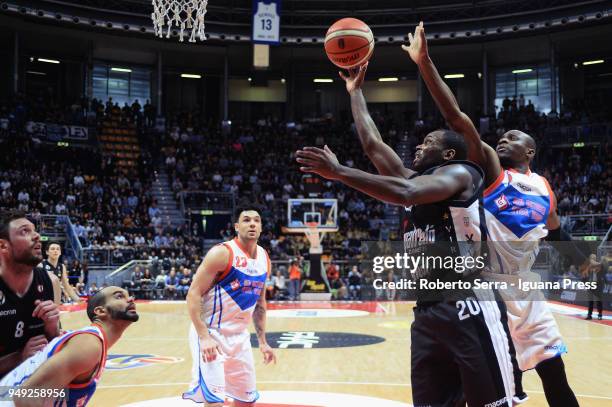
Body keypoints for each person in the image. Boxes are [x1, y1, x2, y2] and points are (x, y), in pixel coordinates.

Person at [403, 21, 579, 406]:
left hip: (525, 289)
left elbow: (555, 229)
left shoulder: (545, 187)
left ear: (531, 151)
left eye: (514, 137)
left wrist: (583, 260)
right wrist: (425, 63)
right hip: (486, 289)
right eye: (502, 136)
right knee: (489, 392)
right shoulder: (492, 172)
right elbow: (456, 116)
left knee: (555, 375)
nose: (504, 138)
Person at [296, 137, 514, 406]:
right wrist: (355, 94)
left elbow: (405, 191)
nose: (419, 146)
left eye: (428, 141)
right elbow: (374, 146)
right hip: (427, 312)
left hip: (468, 304)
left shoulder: (460, 173)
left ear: (448, 153)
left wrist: (339, 172)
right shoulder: (418, 181)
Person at [183, 206, 276, 406]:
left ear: (260, 227)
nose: (252, 224)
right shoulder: (222, 253)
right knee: (215, 402)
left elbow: (260, 303)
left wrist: (262, 341)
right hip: (212, 334)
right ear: (236, 226)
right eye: (246, 220)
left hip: (240, 337)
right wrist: (204, 337)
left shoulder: (264, 258)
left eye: (256, 220)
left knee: (246, 401)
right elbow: (193, 294)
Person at [0, 286, 138, 406]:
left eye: (129, 295)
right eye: (119, 296)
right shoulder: (89, 345)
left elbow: (54, 395)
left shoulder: (91, 342)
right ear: (100, 311)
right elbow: (26, 397)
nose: (130, 299)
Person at [0, 211, 61, 379]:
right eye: (24, 231)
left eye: (34, 230)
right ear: (3, 246)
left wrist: (53, 329)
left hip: (34, 384)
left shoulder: (51, 281)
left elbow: (56, 345)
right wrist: (19, 357)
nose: (36, 236)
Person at [581, 254, 604, 320]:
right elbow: (583, 277)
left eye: (594, 258)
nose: (592, 259)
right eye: (591, 258)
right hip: (590, 285)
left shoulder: (599, 266)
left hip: (598, 285)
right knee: (590, 301)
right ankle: (589, 315)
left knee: (598, 301)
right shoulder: (587, 267)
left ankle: (600, 314)